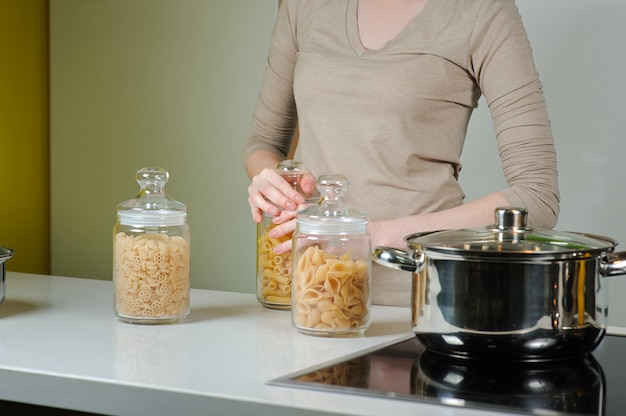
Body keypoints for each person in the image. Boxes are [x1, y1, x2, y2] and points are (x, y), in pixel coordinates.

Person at [243, 0, 560, 307]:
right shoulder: (304, 6)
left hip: (421, 302)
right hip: (311, 298)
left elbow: (537, 197)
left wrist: (372, 234)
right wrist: (271, 181)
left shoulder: (482, 11)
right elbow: (263, 142)